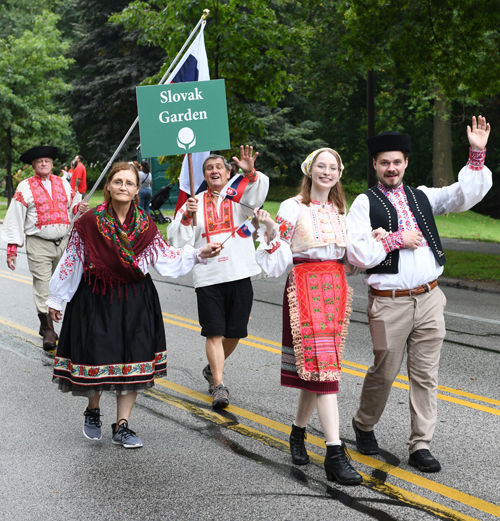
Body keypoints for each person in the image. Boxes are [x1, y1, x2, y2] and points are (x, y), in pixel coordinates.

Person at [347, 115, 492, 473]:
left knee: (425, 374)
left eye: (397, 162)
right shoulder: (364, 204)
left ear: (406, 163)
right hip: (388, 303)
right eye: (384, 163)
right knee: (384, 371)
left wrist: (477, 154)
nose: (391, 168)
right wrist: (396, 239)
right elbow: (356, 254)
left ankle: (421, 444)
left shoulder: (423, 196)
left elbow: (463, 195)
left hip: (430, 299)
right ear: (375, 166)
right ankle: (364, 424)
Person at [47, 162, 222, 448]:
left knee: (132, 360)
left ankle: (123, 425)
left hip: (136, 298)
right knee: (97, 356)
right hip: (96, 296)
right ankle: (93, 410)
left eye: (129, 183)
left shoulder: (145, 223)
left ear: (137, 189)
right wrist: (57, 297)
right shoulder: (88, 222)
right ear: (109, 186)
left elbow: (164, 257)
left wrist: (198, 253)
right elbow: (72, 261)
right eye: (118, 182)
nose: (124, 187)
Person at [254, 148, 363, 485]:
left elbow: (353, 260)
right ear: (309, 170)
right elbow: (276, 259)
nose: (326, 172)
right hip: (304, 288)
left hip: (335, 289)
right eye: (321, 166)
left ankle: (298, 433)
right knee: (325, 371)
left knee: (317, 372)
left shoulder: (341, 210)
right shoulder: (292, 207)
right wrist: (271, 229)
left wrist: (372, 242)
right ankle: (334, 452)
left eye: (333, 167)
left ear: (339, 173)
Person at [167, 146, 269, 409]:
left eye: (219, 167)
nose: (214, 171)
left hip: (239, 272)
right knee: (214, 331)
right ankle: (218, 385)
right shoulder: (194, 202)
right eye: (209, 168)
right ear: (204, 174)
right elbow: (177, 239)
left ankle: (212, 369)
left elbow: (258, 197)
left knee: (235, 331)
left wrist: (251, 173)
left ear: (228, 172)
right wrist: (188, 216)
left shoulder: (238, 198)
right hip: (208, 276)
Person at [1, 146, 89, 349]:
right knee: (43, 285)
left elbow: (72, 207)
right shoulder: (25, 186)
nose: (43, 163)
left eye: (47, 160)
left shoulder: (63, 183)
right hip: (38, 243)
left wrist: (78, 208)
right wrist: (12, 248)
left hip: (63, 242)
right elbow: (15, 217)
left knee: (65, 282)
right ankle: (48, 330)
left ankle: (59, 322)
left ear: (52, 164)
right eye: (39, 161)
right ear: (33, 165)